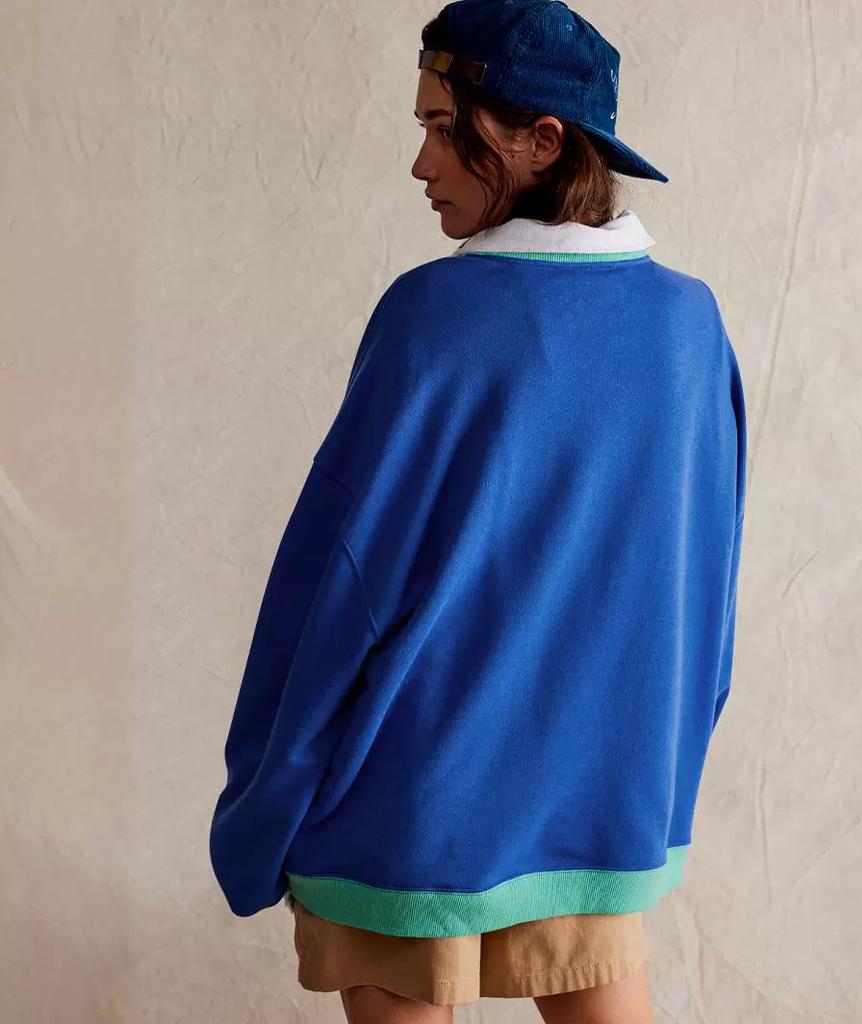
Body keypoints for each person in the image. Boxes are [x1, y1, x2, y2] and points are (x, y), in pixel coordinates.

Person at [209, 2, 747, 1022]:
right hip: (593, 801)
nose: (420, 162)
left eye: (440, 127)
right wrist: (656, 774)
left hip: (404, 796)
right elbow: (702, 583)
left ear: (540, 140)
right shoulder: (689, 324)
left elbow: (337, 580)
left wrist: (265, 796)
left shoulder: (433, 319)